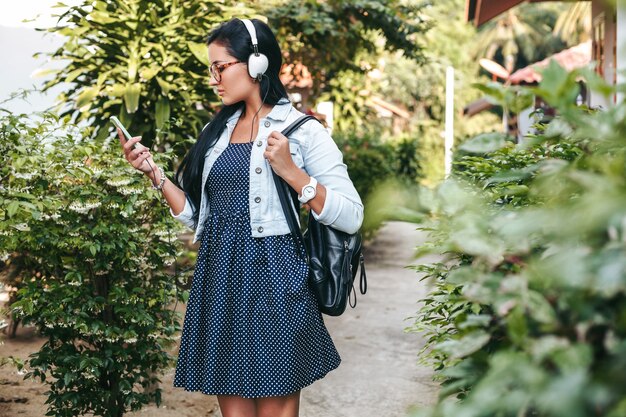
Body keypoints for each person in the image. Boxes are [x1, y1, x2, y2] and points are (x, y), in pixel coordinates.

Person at [118, 17, 363, 417]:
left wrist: (293, 172)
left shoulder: (301, 130)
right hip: (221, 281)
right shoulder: (217, 132)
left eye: (221, 67)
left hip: (275, 280)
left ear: (256, 64)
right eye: (210, 68)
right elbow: (199, 218)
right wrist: (153, 173)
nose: (214, 78)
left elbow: (352, 215)